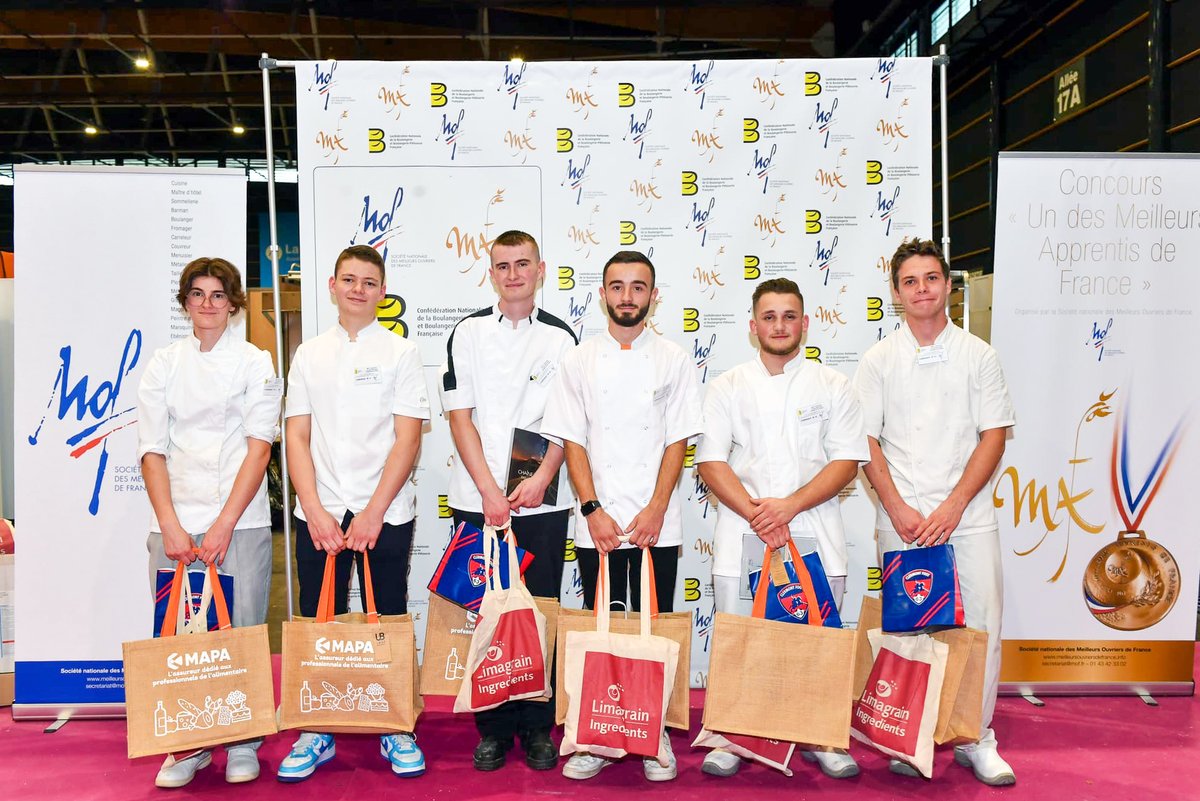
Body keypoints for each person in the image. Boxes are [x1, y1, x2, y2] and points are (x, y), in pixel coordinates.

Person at [854, 238, 1016, 786]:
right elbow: (866, 442)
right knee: (909, 631)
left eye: (930, 279)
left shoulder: (979, 355)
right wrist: (897, 508)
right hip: (902, 519)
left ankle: (977, 737)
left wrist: (952, 506)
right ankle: (911, 735)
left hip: (967, 517)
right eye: (910, 281)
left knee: (981, 628)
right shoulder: (877, 361)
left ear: (947, 286)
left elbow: (993, 437)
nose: (921, 289)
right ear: (896, 294)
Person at [695, 277, 868, 780]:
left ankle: (821, 735)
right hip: (742, 533)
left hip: (816, 531)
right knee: (740, 638)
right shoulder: (726, 385)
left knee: (818, 641)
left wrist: (788, 507)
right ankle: (731, 733)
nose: (779, 325)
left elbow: (846, 462)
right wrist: (759, 514)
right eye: (768, 317)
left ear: (806, 323)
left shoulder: (834, 386)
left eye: (789, 316)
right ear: (753, 326)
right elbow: (710, 462)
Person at [541, 249, 703, 783]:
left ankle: (653, 735)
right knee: (603, 627)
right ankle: (597, 736)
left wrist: (656, 509)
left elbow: (677, 441)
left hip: (658, 524)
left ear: (653, 297)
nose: (627, 296)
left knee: (651, 630)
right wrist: (592, 510)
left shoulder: (675, 360)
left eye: (638, 287)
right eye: (617, 286)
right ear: (603, 294)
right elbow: (574, 438)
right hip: (601, 526)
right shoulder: (579, 360)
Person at [278, 244, 430, 782]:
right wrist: (315, 510)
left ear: (382, 292)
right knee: (318, 621)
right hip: (318, 511)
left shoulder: (401, 354)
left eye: (369, 281)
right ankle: (316, 729)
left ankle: (395, 726)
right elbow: (295, 436)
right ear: (332, 285)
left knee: (385, 615)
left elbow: (406, 440)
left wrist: (372, 513)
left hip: (383, 512)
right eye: (350, 279)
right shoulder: (308, 354)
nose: (359, 289)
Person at [138, 257, 280, 788]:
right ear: (184, 302)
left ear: (234, 304)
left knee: (240, 629)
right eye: (196, 294)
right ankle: (186, 744)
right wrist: (170, 526)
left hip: (238, 522)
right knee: (176, 637)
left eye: (217, 295)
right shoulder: (163, 363)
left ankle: (243, 738)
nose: (206, 304)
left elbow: (259, 447)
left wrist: (223, 524)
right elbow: (151, 450)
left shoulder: (254, 362)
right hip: (174, 520)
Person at [440, 230, 577, 772]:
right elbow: (460, 416)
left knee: (537, 612)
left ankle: (537, 726)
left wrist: (543, 477)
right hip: (479, 500)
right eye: (503, 265)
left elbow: (568, 422)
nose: (513, 273)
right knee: (486, 617)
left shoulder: (562, 338)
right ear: (490, 272)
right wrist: (489, 492)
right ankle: (492, 728)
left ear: (541, 269)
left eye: (523, 264)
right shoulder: (468, 332)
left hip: (540, 500)